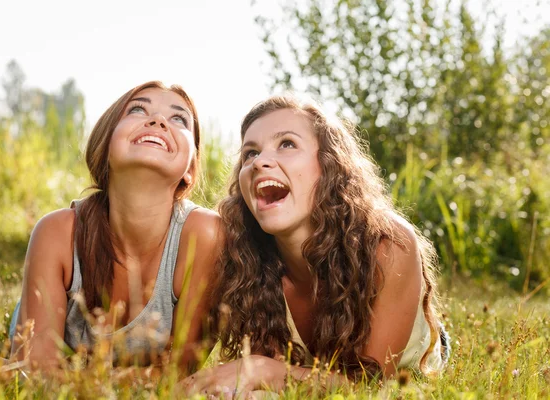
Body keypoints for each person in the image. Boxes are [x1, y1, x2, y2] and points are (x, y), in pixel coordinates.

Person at [182, 95, 449, 395]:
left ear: (329, 165)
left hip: (404, 374)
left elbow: (368, 385)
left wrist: (260, 368)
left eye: (286, 144)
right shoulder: (245, 260)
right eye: (250, 153)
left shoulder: (388, 245)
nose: (260, 162)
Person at [9, 81, 222, 371]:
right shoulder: (57, 232)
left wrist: (76, 378)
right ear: (106, 144)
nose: (158, 120)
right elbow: (36, 371)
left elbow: (180, 376)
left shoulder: (204, 235)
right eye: (137, 109)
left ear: (189, 168)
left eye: (178, 118)